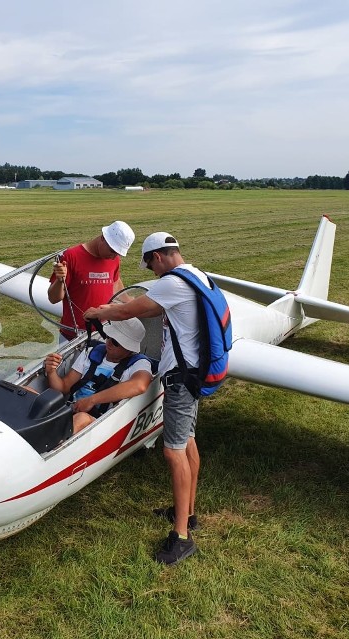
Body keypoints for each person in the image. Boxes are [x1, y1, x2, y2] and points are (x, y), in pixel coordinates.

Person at [84, 231, 220, 565]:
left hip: (180, 377)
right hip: (194, 373)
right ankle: (186, 513)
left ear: (157, 257)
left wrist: (97, 313)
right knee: (187, 442)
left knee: (174, 451)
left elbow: (129, 312)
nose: (153, 275)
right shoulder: (198, 275)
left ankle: (182, 537)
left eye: (150, 267)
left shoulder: (172, 283)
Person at [43, 317, 152, 434]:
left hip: (101, 422)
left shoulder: (139, 363)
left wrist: (91, 400)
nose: (109, 343)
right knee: (28, 393)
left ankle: (49, 443)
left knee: (81, 418)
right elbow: (63, 388)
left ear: (129, 348)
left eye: (115, 342)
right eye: (109, 336)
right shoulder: (92, 352)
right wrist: (51, 371)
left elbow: (140, 385)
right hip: (70, 409)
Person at [47, 221, 135, 341]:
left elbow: (114, 282)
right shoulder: (71, 256)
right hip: (73, 336)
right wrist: (59, 280)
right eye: (113, 251)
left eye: (118, 253)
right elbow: (53, 298)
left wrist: (129, 303)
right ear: (103, 238)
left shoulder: (114, 259)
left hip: (105, 332)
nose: (114, 257)